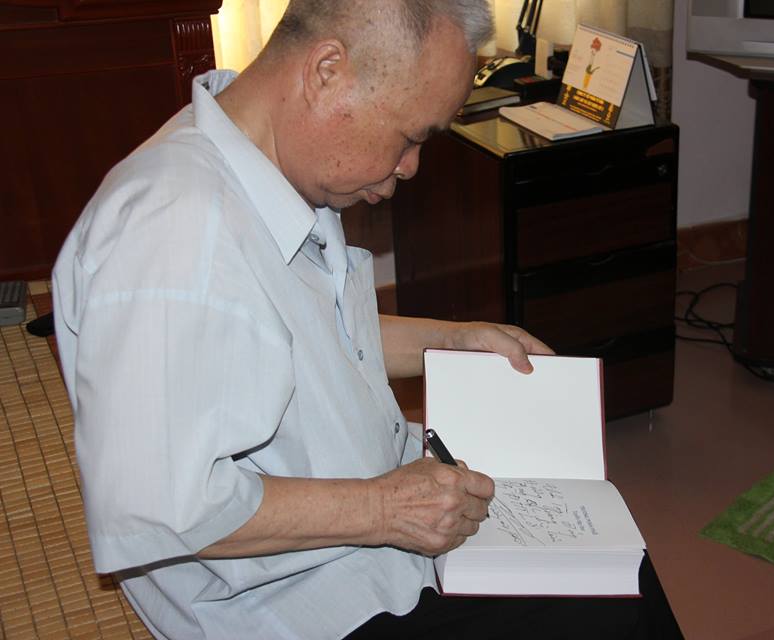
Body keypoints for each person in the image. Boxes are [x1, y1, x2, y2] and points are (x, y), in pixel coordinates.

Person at [53, 1, 683, 638]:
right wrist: (385, 509)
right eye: (410, 136)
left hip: (360, 526)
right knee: (615, 606)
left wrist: (455, 340)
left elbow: (306, 337)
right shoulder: (175, 235)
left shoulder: (270, 164)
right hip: (301, 602)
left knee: (615, 566)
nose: (411, 166)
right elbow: (158, 509)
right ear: (326, 72)